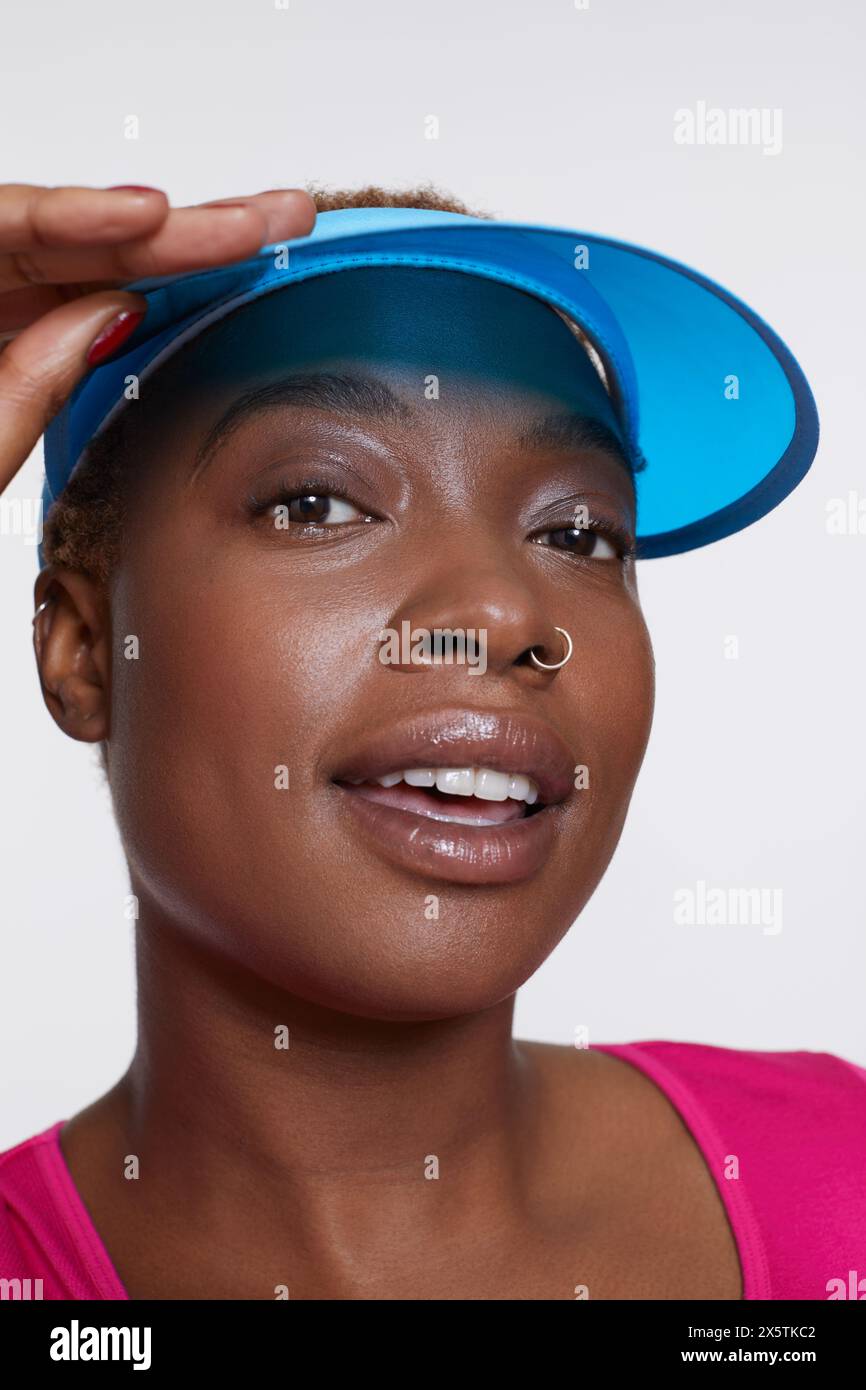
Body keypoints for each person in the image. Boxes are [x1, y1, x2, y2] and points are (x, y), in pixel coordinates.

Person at [0, 181, 863, 1302]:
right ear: (82, 649)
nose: (507, 614)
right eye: (315, 504)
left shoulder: (836, 1175)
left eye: (577, 531)